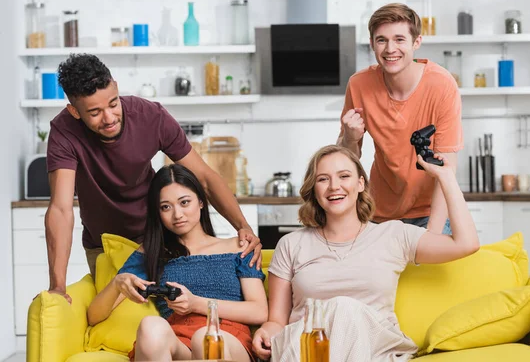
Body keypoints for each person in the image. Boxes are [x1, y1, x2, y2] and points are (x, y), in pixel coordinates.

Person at [45, 53, 262, 303]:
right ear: (74, 111)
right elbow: (61, 209)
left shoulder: (150, 116)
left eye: (113, 104)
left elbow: (203, 177)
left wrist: (242, 227)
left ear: (115, 86)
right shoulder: (64, 132)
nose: (109, 118)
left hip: (156, 238)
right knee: (109, 317)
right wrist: (57, 287)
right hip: (102, 244)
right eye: (94, 112)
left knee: (167, 313)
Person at [252, 145, 479, 361]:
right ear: (314, 189)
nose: (334, 186)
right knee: (330, 319)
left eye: (344, 176)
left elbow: (466, 243)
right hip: (306, 347)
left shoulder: (393, 235)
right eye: (323, 179)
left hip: (372, 349)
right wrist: (266, 331)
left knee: (344, 308)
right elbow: (277, 321)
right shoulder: (291, 244)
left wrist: (446, 177)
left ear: (360, 183)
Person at [87, 164, 268, 361]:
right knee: (150, 325)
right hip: (179, 340)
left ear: (200, 201)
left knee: (204, 338)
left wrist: (196, 303)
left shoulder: (240, 247)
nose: (177, 215)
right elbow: (94, 316)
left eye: (184, 202)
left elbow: (259, 311)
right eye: (166, 207)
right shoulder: (153, 252)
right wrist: (116, 284)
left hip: (227, 338)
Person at [337, 3, 463, 235]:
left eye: (399, 39)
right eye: (381, 40)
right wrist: (350, 137)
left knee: (429, 268)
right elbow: (344, 162)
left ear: (416, 42)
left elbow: (447, 170)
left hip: (431, 212)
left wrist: (432, 238)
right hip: (378, 214)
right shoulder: (359, 85)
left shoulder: (442, 85)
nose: (390, 48)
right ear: (373, 43)